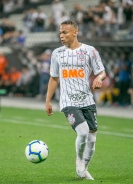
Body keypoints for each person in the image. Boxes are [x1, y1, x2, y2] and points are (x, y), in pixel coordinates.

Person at [45, 20, 106, 180]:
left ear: (75, 32)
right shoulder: (57, 53)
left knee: (92, 137)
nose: (61, 36)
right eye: (60, 33)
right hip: (68, 102)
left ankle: (84, 168)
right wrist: (48, 100)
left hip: (87, 100)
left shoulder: (89, 51)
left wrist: (99, 78)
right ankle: (78, 161)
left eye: (65, 32)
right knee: (83, 132)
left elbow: (101, 72)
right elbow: (53, 78)